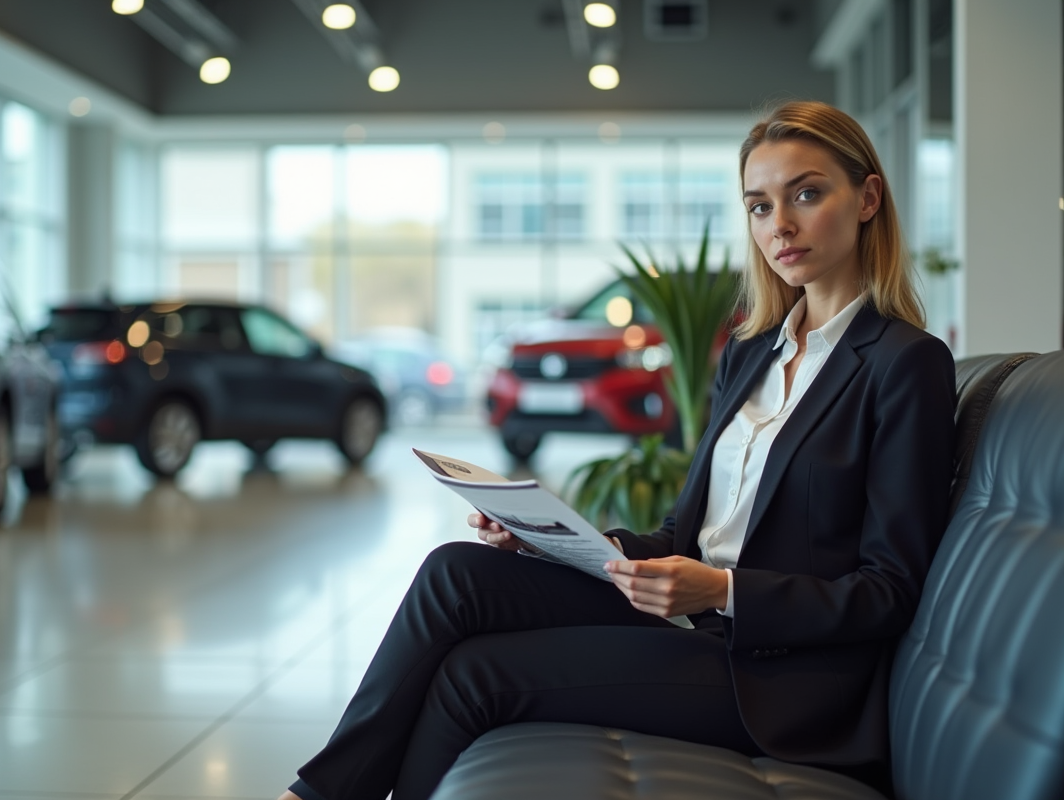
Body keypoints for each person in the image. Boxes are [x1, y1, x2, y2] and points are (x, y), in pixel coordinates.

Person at [278, 100, 956, 800]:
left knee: (472, 675)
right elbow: (685, 535)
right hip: (690, 613)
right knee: (456, 574)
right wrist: (550, 541)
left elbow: (889, 591)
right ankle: (321, 792)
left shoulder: (904, 363)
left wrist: (723, 591)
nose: (778, 225)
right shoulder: (752, 352)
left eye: (806, 194)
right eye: (758, 205)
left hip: (774, 673)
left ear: (867, 197)